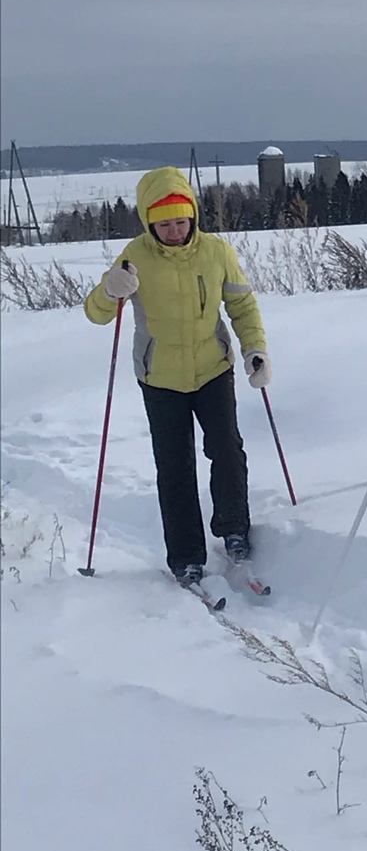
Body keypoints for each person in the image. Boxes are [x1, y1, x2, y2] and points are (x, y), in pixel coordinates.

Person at [83, 167, 272, 588]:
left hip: (212, 368)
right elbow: (96, 314)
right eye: (164, 223)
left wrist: (254, 349)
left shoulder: (217, 252)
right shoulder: (134, 257)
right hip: (160, 377)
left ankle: (234, 528)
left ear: (194, 217)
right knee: (174, 466)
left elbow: (242, 307)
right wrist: (110, 290)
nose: (173, 230)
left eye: (180, 220)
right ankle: (186, 556)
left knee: (226, 449)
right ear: (149, 222)